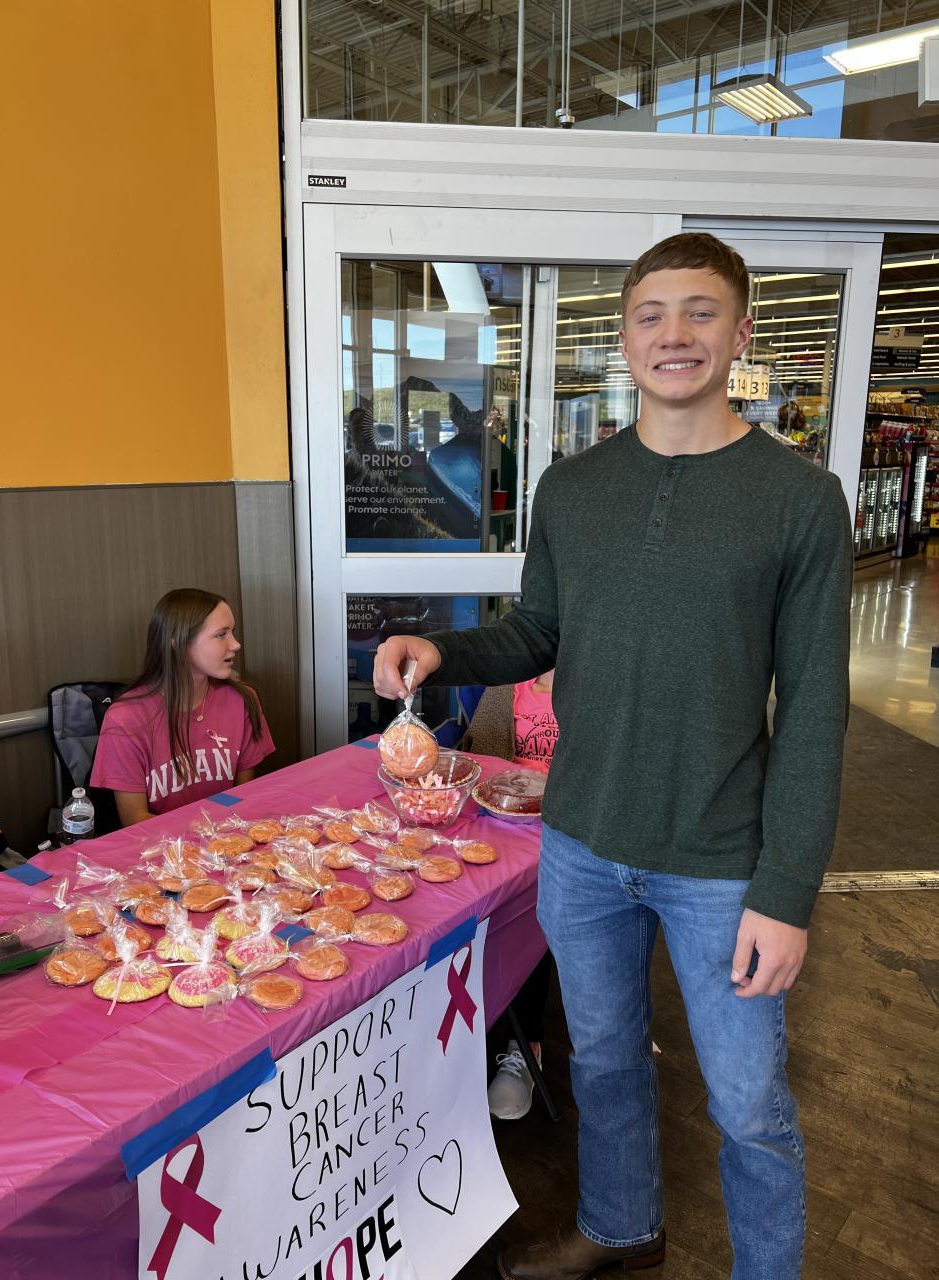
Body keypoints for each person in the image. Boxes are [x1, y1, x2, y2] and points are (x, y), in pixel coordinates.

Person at [373, 233, 853, 1280]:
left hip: (722, 861)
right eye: (650, 314)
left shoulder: (801, 500)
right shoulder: (572, 487)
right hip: (584, 843)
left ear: (741, 332)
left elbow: (817, 713)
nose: (674, 334)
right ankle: (619, 1225)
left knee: (750, 1107)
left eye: (700, 311)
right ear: (625, 336)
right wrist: (445, 650)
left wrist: (787, 892)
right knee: (601, 1061)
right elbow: (539, 630)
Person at [91, 588, 274, 825]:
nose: (236, 644)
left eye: (233, 632)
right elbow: (135, 820)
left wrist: (222, 836)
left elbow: (241, 798)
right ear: (178, 644)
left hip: (227, 838)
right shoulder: (125, 719)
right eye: (221, 635)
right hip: (162, 844)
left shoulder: (241, 699)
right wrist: (202, 836)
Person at [465, 671, 558, 1120]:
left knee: (534, 910)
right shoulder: (506, 688)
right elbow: (474, 760)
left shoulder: (602, 683)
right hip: (501, 827)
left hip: (565, 831)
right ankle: (459, 1042)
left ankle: (526, 1044)